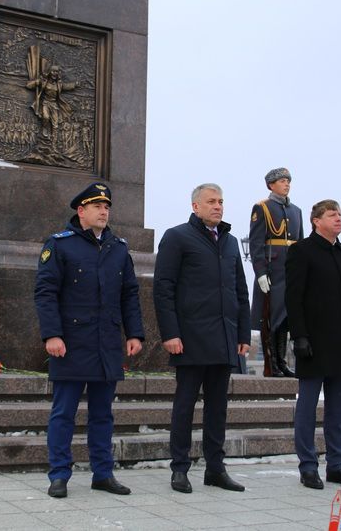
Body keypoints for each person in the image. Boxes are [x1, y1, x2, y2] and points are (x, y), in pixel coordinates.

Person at [34, 183, 144, 499]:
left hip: (106, 344)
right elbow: (45, 292)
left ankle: (103, 473)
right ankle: (59, 475)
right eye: (97, 206)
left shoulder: (118, 248)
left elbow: (129, 294)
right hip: (70, 342)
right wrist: (52, 334)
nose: (104, 211)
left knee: (102, 414)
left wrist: (134, 333)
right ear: (81, 211)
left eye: (106, 206)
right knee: (63, 413)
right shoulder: (59, 245)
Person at [153, 183, 251, 494]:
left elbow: (240, 291)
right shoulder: (177, 236)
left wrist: (243, 333)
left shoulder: (231, 241)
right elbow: (163, 288)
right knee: (184, 406)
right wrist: (170, 332)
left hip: (224, 339)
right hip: (190, 338)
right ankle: (179, 468)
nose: (218, 206)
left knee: (218, 408)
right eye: (211, 201)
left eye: (221, 201)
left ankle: (215, 468)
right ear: (195, 206)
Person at [285, 199, 341, 490]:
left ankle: (337, 465)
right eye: (332, 215)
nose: (339, 219)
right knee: (307, 409)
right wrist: (299, 336)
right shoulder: (301, 251)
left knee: (337, 411)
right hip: (314, 343)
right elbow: (293, 298)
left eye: (340, 214)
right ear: (316, 221)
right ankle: (308, 466)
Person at [249, 167, 303, 377]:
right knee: (271, 319)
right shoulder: (262, 207)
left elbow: (299, 243)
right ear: (271, 185)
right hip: (272, 273)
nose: (286, 184)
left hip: (290, 272)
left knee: (286, 319)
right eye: (282, 181)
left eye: (288, 181)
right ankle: (271, 364)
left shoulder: (296, 211)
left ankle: (281, 362)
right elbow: (256, 243)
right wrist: (260, 272)